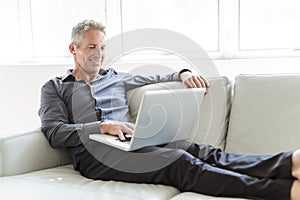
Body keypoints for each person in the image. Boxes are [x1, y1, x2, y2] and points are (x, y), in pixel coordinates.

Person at [39, 19, 300, 200]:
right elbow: (54, 132)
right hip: (95, 156)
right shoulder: (54, 87)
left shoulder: (116, 77)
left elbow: (155, 78)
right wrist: (102, 126)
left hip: (133, 142)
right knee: (181, 162)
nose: (99, 54)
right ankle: (280, 191)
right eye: (92, 47)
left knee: (201, 151)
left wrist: (184, 73)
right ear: (74, 49)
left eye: (103, 47)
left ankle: (287, 163)